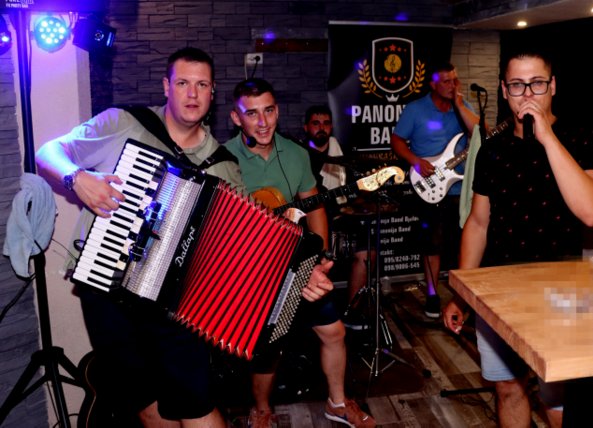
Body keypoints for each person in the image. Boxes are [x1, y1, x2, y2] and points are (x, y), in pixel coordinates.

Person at [35, 47, 334, 428]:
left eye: (202, 85)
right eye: (183, 83)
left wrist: (299, 274)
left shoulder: (223, 166)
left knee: (195, 403)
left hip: (179, 307)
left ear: (212, 93)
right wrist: (77, 178)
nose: (192, 94)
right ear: (166, 86)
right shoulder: (123, 123)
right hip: (107, 290)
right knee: (145, 403)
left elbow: (248, 248)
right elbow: (49, 151)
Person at [443, 48, 593, 428]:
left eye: (537, 83)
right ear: (504, 91)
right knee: (508, 389)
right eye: (518, 85)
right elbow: (478, 223)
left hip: (563, 294)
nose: (528, 94)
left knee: (557, 400)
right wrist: (463, 292)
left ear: (553, 86)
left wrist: (548, 138)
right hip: (500, 291)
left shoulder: (582, 138)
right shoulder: (493, 150)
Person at [225, 79, 375, 428]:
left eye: (269, 111)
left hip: (296, 264)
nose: (263, 122)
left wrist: (319, 254)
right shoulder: (223, 158)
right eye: (252, 113)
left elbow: (314, 205)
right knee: (269, 347)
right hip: (252, 270)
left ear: (278, 111)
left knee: (334, 332)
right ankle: (262, 409)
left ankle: (337, 403)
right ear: (236, 118)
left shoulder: (296, 154)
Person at [390, 61, 481, 318]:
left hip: (462, 187)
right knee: (433, 244)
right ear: (432, 84)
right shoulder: (415, 109)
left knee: (466, 242)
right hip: (431, 187)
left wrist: (460, 106)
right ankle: (432, 294)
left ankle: (463, 296)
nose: (453, 85)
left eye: (455, 80)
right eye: (446, 81)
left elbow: (481, 134)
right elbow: (397, 140)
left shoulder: (463, 106)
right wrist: (416, 161)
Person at [301, 105, 374, 326]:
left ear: (331, 127)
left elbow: (355, 194)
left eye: (326, 123)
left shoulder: (343, 156)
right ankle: (317, 315)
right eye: (316, 123)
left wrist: (361, 201)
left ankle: (352, 311)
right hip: (312, 222)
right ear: (306, 127)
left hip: (342, 217)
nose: (321, 128)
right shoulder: (299, 156)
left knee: (367, 251)